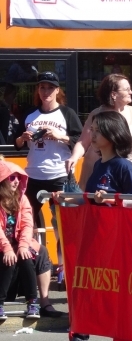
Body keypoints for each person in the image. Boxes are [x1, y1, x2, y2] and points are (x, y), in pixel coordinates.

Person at [48, 111, 132, 341]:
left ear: (112, 135)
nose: (92, 133)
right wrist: (66, 199)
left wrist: (110, 200)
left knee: (117, 295)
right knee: (85, 290)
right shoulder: (99, 165)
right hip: (95, 240)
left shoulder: (123, 166)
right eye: (92, 129)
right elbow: (90, 200)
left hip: (117, 243)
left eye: (98, 130)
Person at [13, 71, 82, 266]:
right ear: (38, 90)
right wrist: (22, 138)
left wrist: (60, 136)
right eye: (42, 87)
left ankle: (63, 267)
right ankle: (33, 264)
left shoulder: (67, 113)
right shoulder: (30, 114)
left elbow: (80, 140)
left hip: (59, 176)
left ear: (57, 90)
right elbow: (17, 143)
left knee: (62, 224)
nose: (46, 92)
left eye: (50, 88)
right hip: (33, 176)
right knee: (25, 222)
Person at [69, 74, 132, 194]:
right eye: (127, 89)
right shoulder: (98, 114)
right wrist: (74, 158)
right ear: (114, 94)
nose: (131, 92)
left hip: (127, 172)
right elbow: (83, 142)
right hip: (99, 172)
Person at [0, 162, 39, 320]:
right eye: (12, 178)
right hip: (2, 245)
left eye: (18, 178)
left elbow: (27, 225)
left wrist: (23, 246)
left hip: (17, 243)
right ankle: (0, 304)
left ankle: (32, 302)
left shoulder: (22, 199)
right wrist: (7, 248)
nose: (16, 181)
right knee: (8, 260)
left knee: (26, 257)